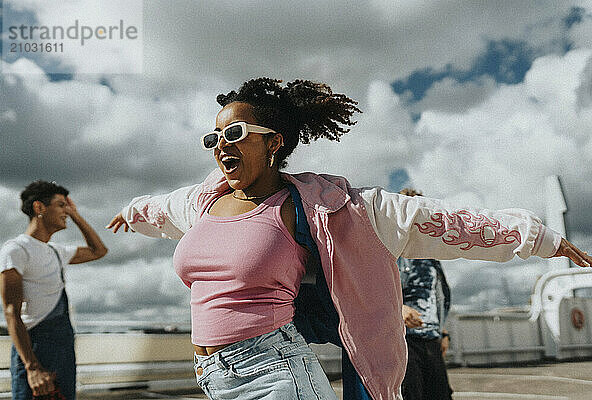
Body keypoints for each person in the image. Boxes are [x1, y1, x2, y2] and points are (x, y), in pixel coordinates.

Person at [106, 78, 591, 400]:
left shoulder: (330, 208)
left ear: (274, 141)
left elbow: (432, 219)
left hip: (276, 373)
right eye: (213, 138)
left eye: (234, 132)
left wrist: (536, 236)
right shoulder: (202, 203)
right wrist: (131, 213)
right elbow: (159, 207)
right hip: (210, 377)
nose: (220, 146)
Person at [0, 181, 108, 400]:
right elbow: (11, 312)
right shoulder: (15, 250)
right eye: (60, 205)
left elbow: (99, 251)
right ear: (39, 208)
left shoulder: (56, 251)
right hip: (34, 350)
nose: (65, 211)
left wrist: (75, 214)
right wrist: (32, 367)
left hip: (63, 349)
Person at [398, 187, 453, 400]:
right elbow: (372, 292)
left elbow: (437, 297)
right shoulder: (391, 252)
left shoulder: (431, 256)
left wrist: (443, 332)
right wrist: (399, 308)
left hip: (431, 339)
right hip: (403, 341)